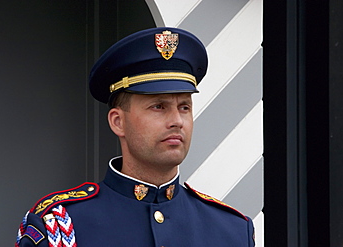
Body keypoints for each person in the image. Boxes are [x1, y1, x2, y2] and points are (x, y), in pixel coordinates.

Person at [16, 27, 255, 247]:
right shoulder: (60, 225)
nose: (177, 121)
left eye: (184, 107)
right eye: (159, 106)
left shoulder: (232, 230)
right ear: (117, 122)